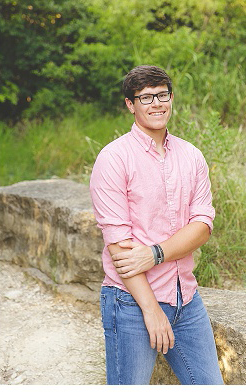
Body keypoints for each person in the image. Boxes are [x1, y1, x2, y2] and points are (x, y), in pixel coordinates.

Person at [89, 66, 223, 384]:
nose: (156, 103)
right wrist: (151, 310)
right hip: (131, 301)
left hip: (185, 298)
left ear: (171, 98)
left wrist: (155, 253)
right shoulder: (113, 159)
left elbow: (202, 225)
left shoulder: (192, 156)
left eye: (162, 95)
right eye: (146, 97)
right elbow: (121, 250)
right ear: (130, 104)